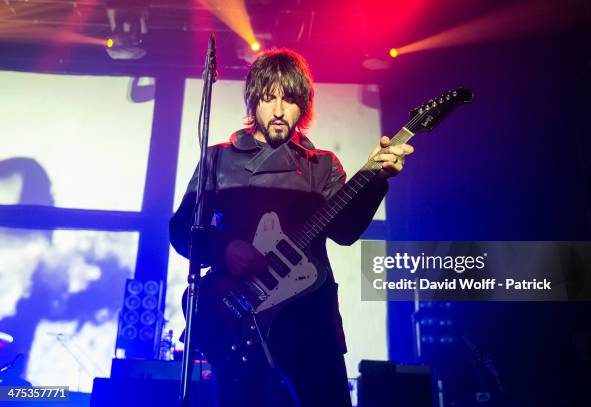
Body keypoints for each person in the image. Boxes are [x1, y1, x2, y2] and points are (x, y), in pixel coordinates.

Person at [170, 48, 413, 406]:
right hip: (237, 315)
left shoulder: (323, 166)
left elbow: (345, 232)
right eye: (269, 99)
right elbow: (181, 230)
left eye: (290, 100)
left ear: (305, 106)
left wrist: (377, 180)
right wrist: (225, 248)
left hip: (307, 318)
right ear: (253, 102)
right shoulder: (218, 158)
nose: (280, 111)